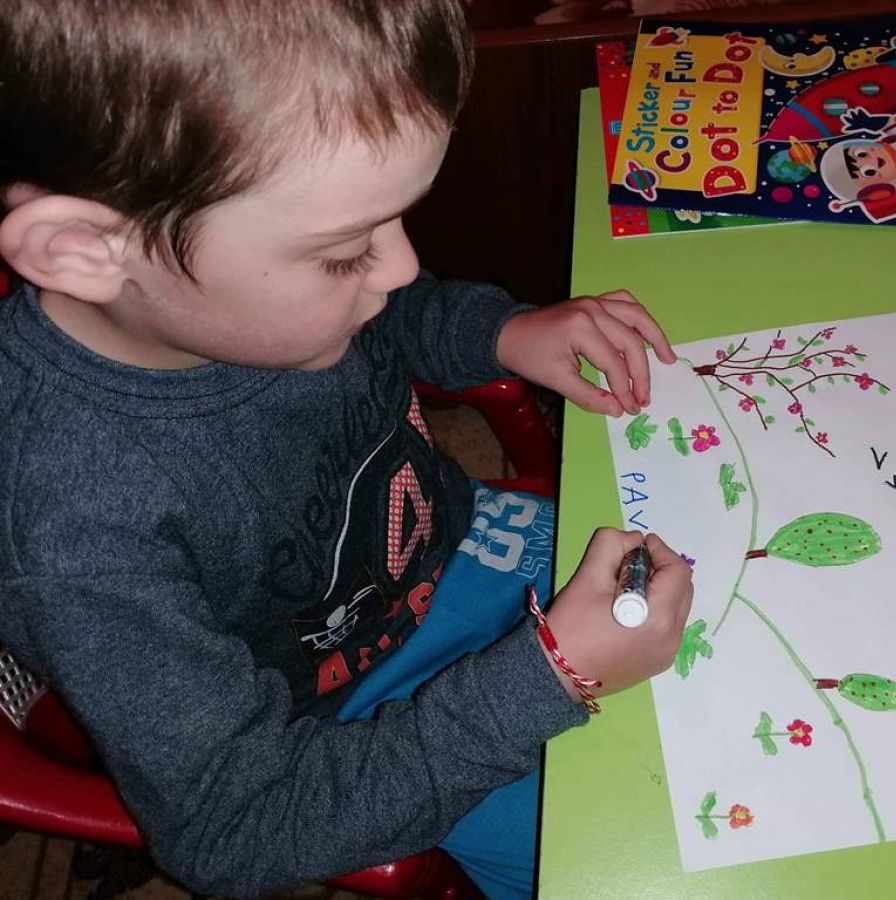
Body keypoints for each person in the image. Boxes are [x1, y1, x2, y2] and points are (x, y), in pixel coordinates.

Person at [0, 1, 694, 897]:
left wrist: (499, 331)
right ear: (84, 249)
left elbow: (396, 309)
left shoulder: (224, 291)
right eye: (341, 252)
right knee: (657, 853)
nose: (398, 266)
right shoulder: (72, 532)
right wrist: (551, 677)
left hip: (460, 544)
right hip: (351, 729)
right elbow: (236, 827)